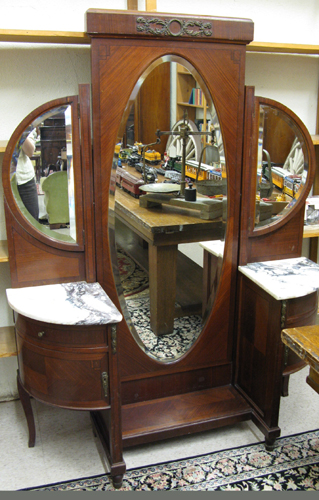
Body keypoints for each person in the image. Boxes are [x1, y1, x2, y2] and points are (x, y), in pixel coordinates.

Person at [15, 126, 39, 221]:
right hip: (6, 180)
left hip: (25, 178)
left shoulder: (27, 126)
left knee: (33, 220)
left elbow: (30, 152)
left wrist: (19, 131)